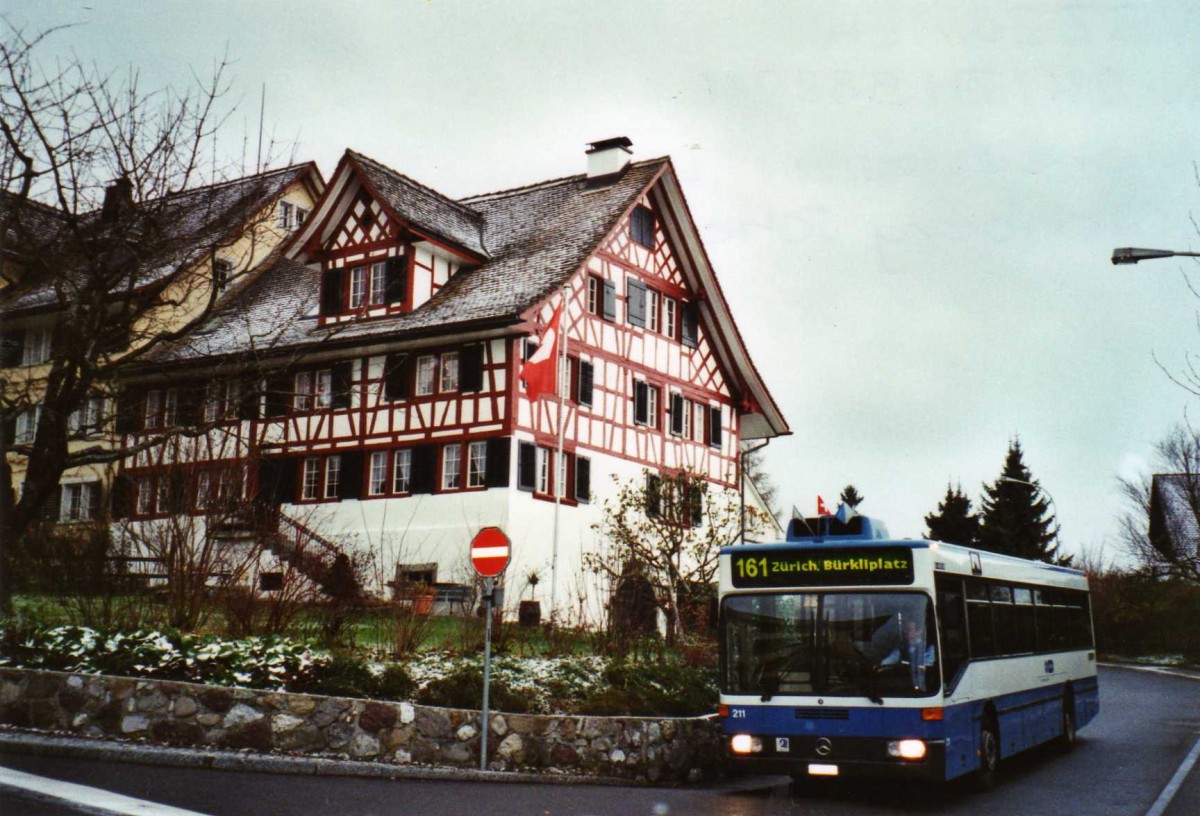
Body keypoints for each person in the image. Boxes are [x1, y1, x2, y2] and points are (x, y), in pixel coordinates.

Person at [880, 618, 935, 691]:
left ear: (919, 631)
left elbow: (928, 666)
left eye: (909, 629)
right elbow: (885, 663)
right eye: (905, 629)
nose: (906, 632)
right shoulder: (901, 648)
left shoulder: (928, 648)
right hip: (904, 686)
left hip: (924, 685)